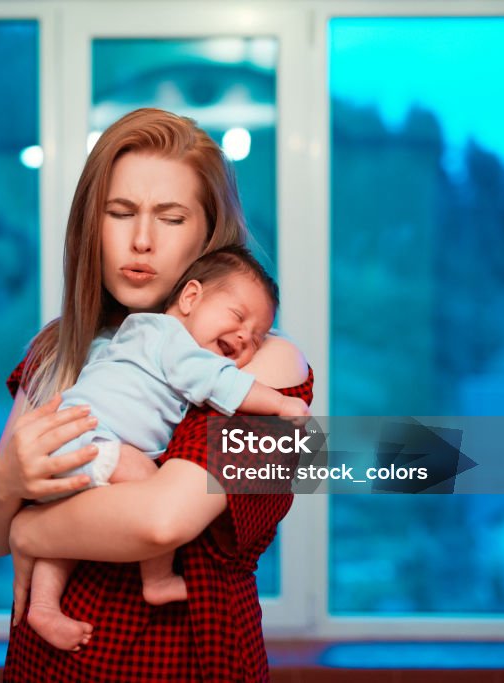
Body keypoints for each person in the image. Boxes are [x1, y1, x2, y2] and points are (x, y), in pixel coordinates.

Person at [0, 108, 314, 682]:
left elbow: (160, 519)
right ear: (90, 227)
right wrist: (5, 483)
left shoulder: (264, 362)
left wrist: (27, 527)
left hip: (187, 665)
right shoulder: (59, 348)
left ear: (208, 238)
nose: (142, 240)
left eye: (171, 218)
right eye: (119, 212)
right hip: (46, 665)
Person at [29, 245, 309, 651]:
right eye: (237, 316)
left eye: (259, 336)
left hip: (67, 445)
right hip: (90, 439)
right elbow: (221, 384)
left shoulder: (135, 335)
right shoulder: (174, 342)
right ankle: (156, 581)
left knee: (64, 531)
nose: (246, 336)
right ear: (190, 297)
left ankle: (42, 604)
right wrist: (282, 403)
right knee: (149, 484)